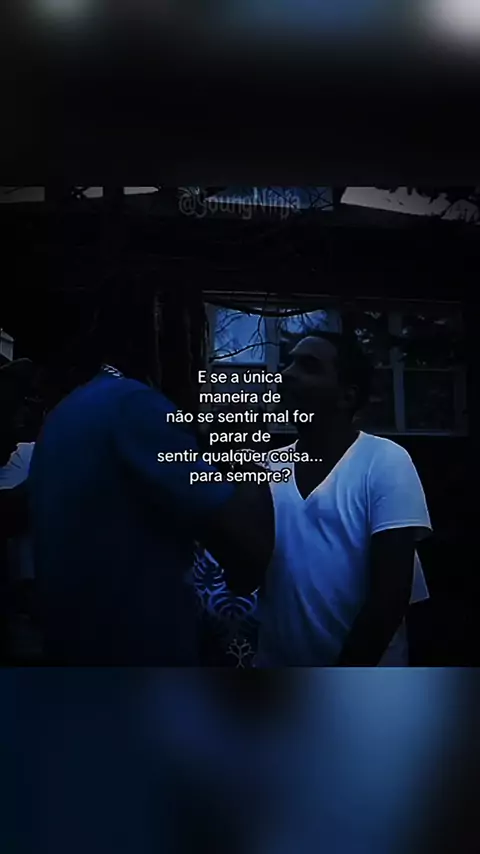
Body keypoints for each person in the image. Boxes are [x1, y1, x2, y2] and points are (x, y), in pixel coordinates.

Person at [28, 288, 274, 665]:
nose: (199, 364)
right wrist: (239, 452)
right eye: (195, 341)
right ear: (161, 331)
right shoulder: (134, 407)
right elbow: (248, 558)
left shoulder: (69, 411)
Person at [250, 331, 432, 667]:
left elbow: (391, 597)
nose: (287, 373)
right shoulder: (265, 468)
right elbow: (243, 576)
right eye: (289, 363)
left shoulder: (385, 461)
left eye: (308, 366)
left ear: (347, 396)